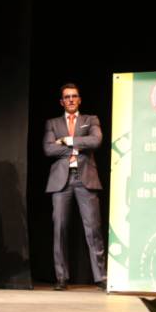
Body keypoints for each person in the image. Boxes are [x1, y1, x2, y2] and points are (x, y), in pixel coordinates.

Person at [43, 83, 107, 291]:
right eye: (67, 97)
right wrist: (78, 148)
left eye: (74, 96)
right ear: (61, 102)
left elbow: (96, 141)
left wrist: (67, 141)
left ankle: (101, 277)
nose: (70, 99)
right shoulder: (52, 123)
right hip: (61, 181)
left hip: (85, 178)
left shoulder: (91, 120)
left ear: (79, 99)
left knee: (93, 229)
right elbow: (48, 149)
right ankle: (61, 277)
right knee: (59, 230)